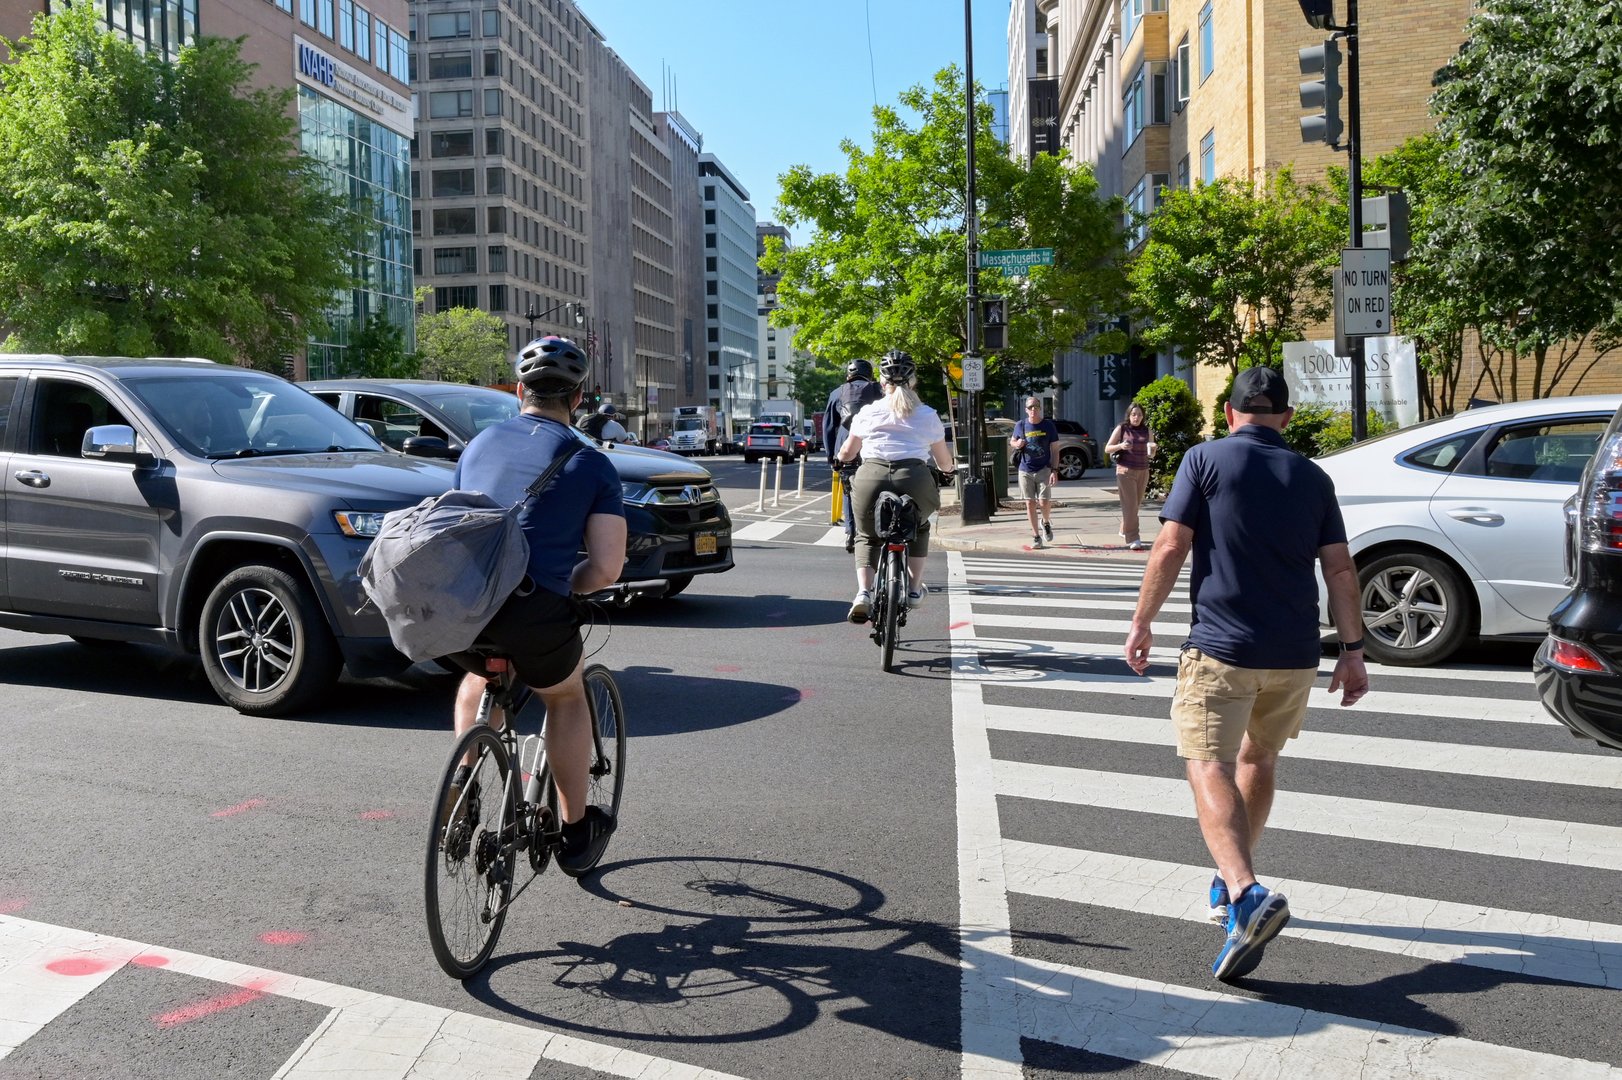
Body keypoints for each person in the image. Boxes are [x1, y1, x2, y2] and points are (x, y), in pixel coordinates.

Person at [1123, 366, 1368, 983]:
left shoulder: (1204, 460)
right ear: (1285, 419)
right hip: (1294, 653)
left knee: (1208, 763)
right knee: (1259, 760)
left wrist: (1141, 621)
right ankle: (1230, 882)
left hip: (1221, 648)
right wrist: (1354, 649)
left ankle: (1246, 890)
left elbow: (1171, 546)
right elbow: (1340, 571)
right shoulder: (1314, 477)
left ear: (1229, 415)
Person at [444, 336, 629, 874]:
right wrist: (569, 585)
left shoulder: (477, 446)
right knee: (566, 697)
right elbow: (606, 568)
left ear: (519, 391)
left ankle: (463, 778)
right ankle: (574, 834)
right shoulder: (591, 464)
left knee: (481, 675)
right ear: (579, 399)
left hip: (465, 604)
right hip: (534, 607)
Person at [836, 350, 956, 622]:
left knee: (866, 535)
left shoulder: (868, 412)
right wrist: (949, 471)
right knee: (920, 525)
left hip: (871, 475)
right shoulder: (927, 414)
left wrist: (841, 462)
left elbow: (847, 452)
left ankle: (864, 593)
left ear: (881, 383)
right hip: (914, 477)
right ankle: (914, 590)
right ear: (913, 382)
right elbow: (943, 460)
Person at [823, 359, 884, 552]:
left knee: (850, 491)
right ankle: (876, 530)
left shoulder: (837, 393)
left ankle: (851, 532)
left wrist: (832, 456)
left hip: (846, 449)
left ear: (848, 375)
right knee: (878, 489)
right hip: (873, 448)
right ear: (870, 374)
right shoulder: (879, 390)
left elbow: (829, 428)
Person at [1104, 402, 1159, 551]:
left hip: (1143, 470)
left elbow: (1151, 454)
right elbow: (1108, 448)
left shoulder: (1147, 431)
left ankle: (1123, 529)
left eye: (1139, 415)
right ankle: (1134, 537)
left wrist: (1153, 450)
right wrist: (1120, 446)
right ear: (1129, 415)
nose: (1136, 417)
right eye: (1134, 414)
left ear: (1143, 416)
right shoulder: (1122, 428)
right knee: (1130, 507)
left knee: (1135, 506)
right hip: (1125, 471)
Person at [1010, 397, 1060, 549]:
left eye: (1036, 407)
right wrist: (1017, 444)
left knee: (1044, 502)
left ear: (1040, 409)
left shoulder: (1048, 426)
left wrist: (1055, 470)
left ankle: (1045, 522)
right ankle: (1036, 536)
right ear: (1026, 409)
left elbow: (1055, 449)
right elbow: (1012, 441)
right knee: (1030, 503)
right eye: (1030, 407)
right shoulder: (1021, 425)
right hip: (1025, 470)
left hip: (1044, 469)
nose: (1033, 409)